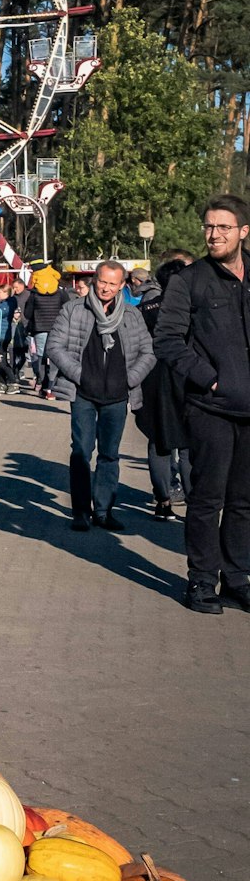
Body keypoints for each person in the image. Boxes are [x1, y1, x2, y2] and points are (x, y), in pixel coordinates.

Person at [153, 199, 250, 613]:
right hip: (210, 408)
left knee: (245, 502)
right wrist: (209, 377)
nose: (215, 235)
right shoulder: (190, 281)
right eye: (209, 227)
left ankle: (238, 577)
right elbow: (168, 340)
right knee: (207, 499)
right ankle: (201, 582)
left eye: (224, 227)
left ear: (243, 232)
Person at [47, 258, 155, 533]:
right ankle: (81, 512)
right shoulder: (73, 309)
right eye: (102, 281)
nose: (106, 288)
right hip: (83, 392)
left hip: (117, 396)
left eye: (112, 283)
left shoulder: (132, 315)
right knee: (82, 452)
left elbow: (148, 352)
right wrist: (79, 374)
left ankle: (104, 511)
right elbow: (54, 346)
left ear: (122, 286)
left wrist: (129, 379)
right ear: (95, 280)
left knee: (109, 455)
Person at [137, 254, 193, 521]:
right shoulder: (193, 309)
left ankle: (163, 499)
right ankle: (195, 501)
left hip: (152, 380)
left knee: (158, 442)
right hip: (187, 379)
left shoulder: (144, 311)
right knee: (189, 444)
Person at [23, 265, 69, 398]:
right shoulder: (61, 292)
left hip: (40, 328)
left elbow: (27, 313)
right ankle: (55, 385)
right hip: (58, 328)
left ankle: (43, 384)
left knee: (42, 356)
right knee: (57, 355)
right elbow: (67, 308)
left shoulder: (34, 294)